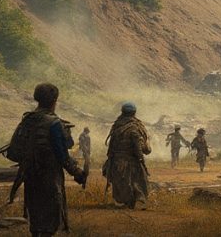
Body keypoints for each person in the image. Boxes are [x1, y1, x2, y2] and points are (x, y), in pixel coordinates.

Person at [9, 83, 87, 236]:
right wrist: (76, 172)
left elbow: (14, 150)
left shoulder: (27, 119)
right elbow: (62, 155)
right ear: (54, 100)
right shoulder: (54, 123)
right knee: (50, 216)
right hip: (49, 175)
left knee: (35, 214)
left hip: (30, 174)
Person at [103, 103, 150, 209]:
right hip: (131, 161)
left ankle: (129, 202)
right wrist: (141, 159)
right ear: (134, 113)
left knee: (123, 183)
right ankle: (137, 201)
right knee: (138, 181)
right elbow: (139, 147)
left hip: (117, 161)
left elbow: (111, 146)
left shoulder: (117, 126)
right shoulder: (135, 127)